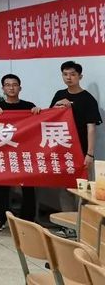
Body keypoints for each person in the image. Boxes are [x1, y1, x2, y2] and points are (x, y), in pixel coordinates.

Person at [0, 74, 41, 231]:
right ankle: (0, 218)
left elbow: (38, 124)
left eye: (14, 85)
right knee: (1, 186)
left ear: (20, 88)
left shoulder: (29, 106)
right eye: (7, 85)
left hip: (24, 153)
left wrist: (38, 112)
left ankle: (28, 219)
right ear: (3, 88)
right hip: (4, 153)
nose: (11, 88)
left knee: (28, 186)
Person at [51, 60, 102, 212]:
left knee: (83, 190)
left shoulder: (88, 99)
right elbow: (50, 118)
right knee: (65, 188)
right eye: (65, 74)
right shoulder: (59, 94)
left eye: (73, 74)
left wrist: (89, 154)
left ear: (80, 76)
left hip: (81, 151)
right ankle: (67, 222)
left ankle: (83, 223)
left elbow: (91, 128)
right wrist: (56, 106)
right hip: (63, 150)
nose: (69, 77)